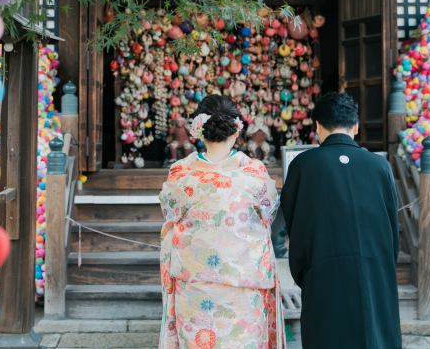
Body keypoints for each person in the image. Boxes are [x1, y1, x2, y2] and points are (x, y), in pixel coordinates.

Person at [159, 95, 286, 349]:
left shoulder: (181, 172)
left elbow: (169, 215)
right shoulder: (254, 171)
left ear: (198, 130)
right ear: (237, 131)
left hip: (195, 283)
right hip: (244, 283)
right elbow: (268, 215)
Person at [280, 92, 401, 349]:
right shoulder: (380, 166)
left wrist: (304, 271)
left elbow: (295, 224)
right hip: (375, 269)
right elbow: (392, 224)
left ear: (317, 126)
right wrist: (384, 266)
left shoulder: (303, 164)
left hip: (323, 269)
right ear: (355, 126)